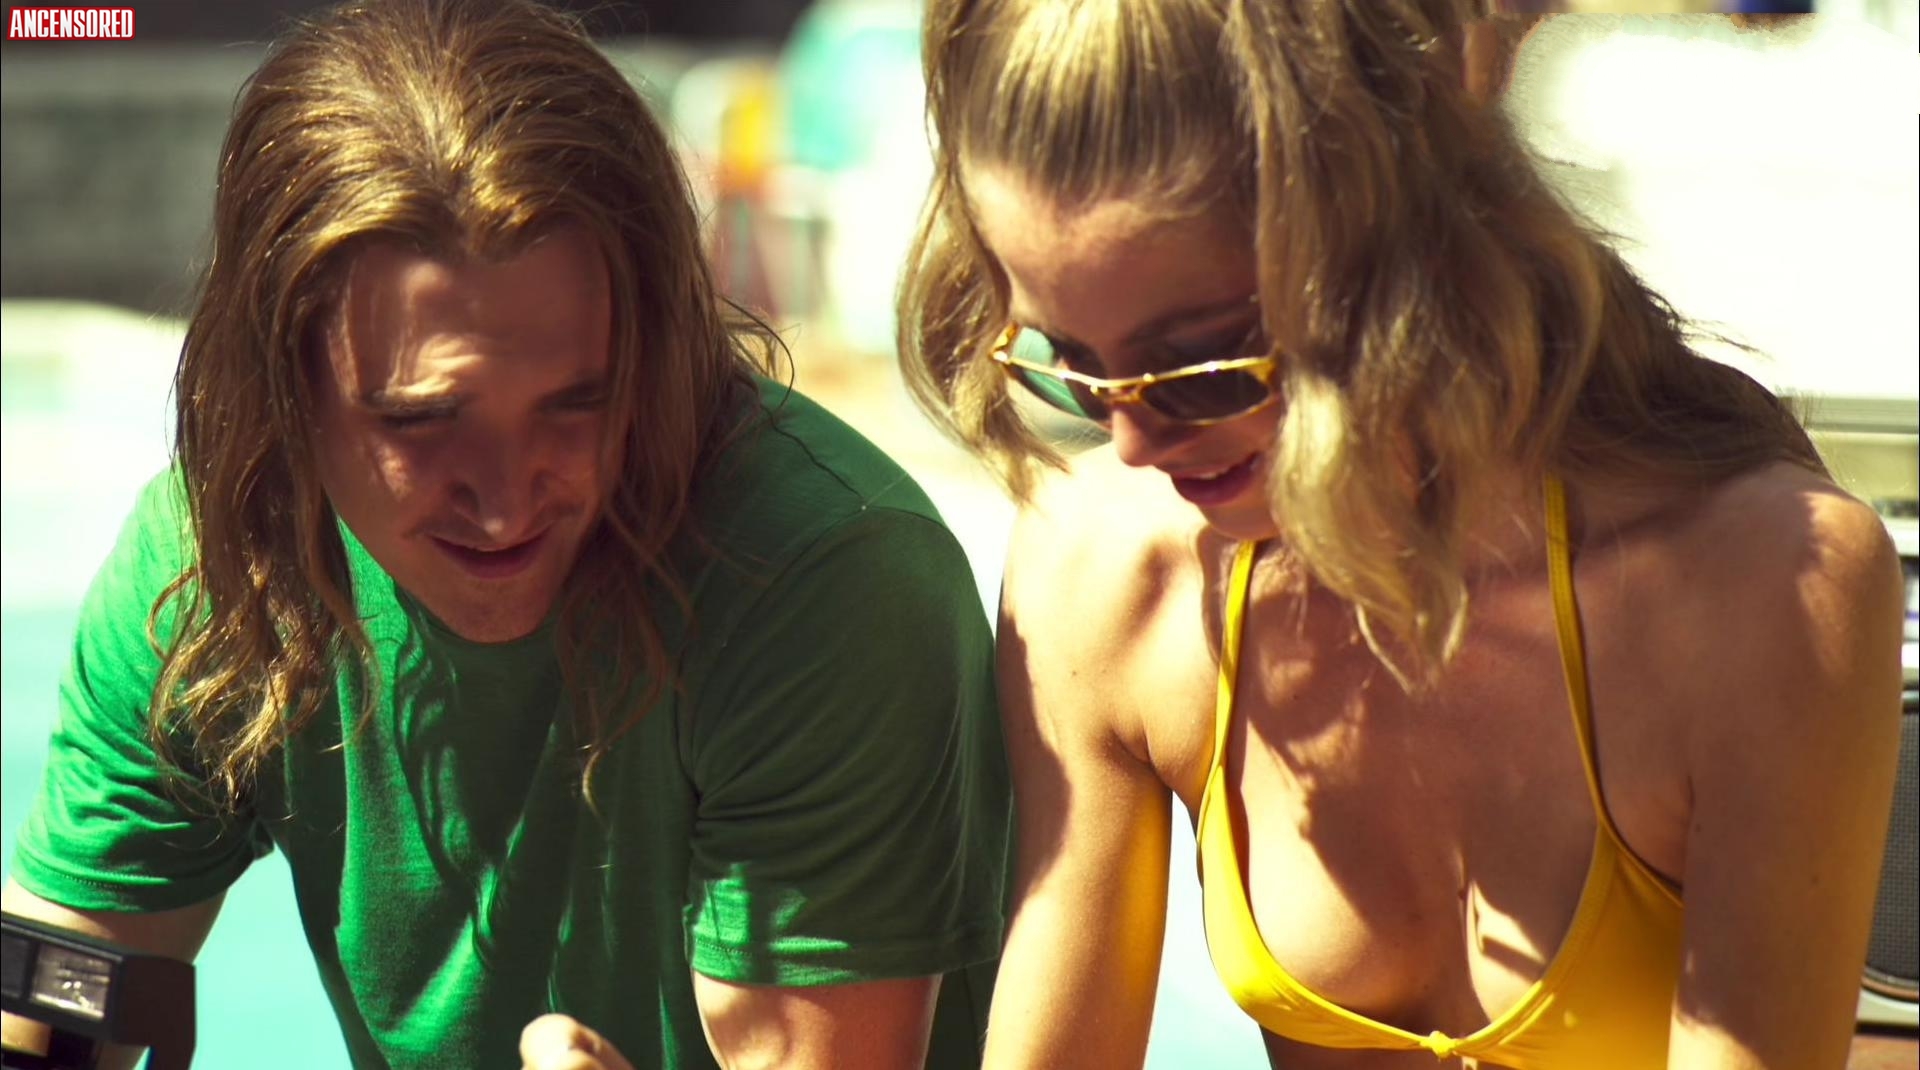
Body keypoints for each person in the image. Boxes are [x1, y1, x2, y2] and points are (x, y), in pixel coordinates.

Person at [0, 2, 1009, 1069]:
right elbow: (62, 992)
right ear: (280, 393)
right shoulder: (219, 560)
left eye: (579, 404)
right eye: (422, 421)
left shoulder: (823, 584)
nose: (504, 501)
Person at [897, 1, 1904, 1068]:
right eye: (1072, 364)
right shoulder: (1108, 562)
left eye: (1200, 367)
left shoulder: (1754, 584)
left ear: (1396, 239)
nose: (1134, 442)